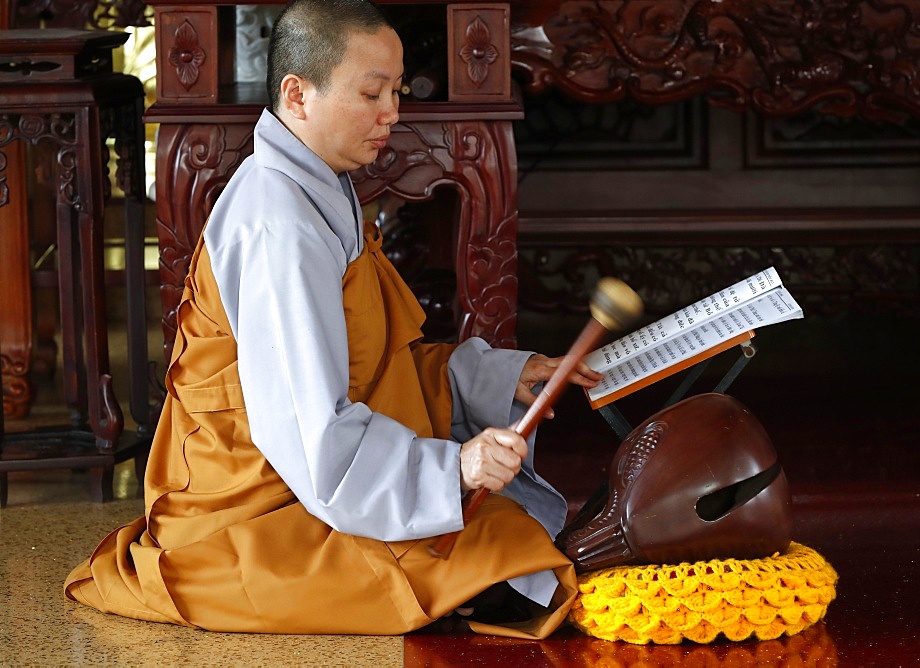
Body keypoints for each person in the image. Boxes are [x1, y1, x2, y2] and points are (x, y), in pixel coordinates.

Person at [64, 0, 601, 639]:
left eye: (397, 91)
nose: (393, 113)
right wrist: (451, 470)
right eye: (372, 92)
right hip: (256, 507)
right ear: (297, 94)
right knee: (505, 553)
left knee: (511, 538)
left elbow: (371, 363)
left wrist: (503, 376)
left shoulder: (319, 183)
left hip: (307, 475)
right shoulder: (280, 224)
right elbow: (309, 434)